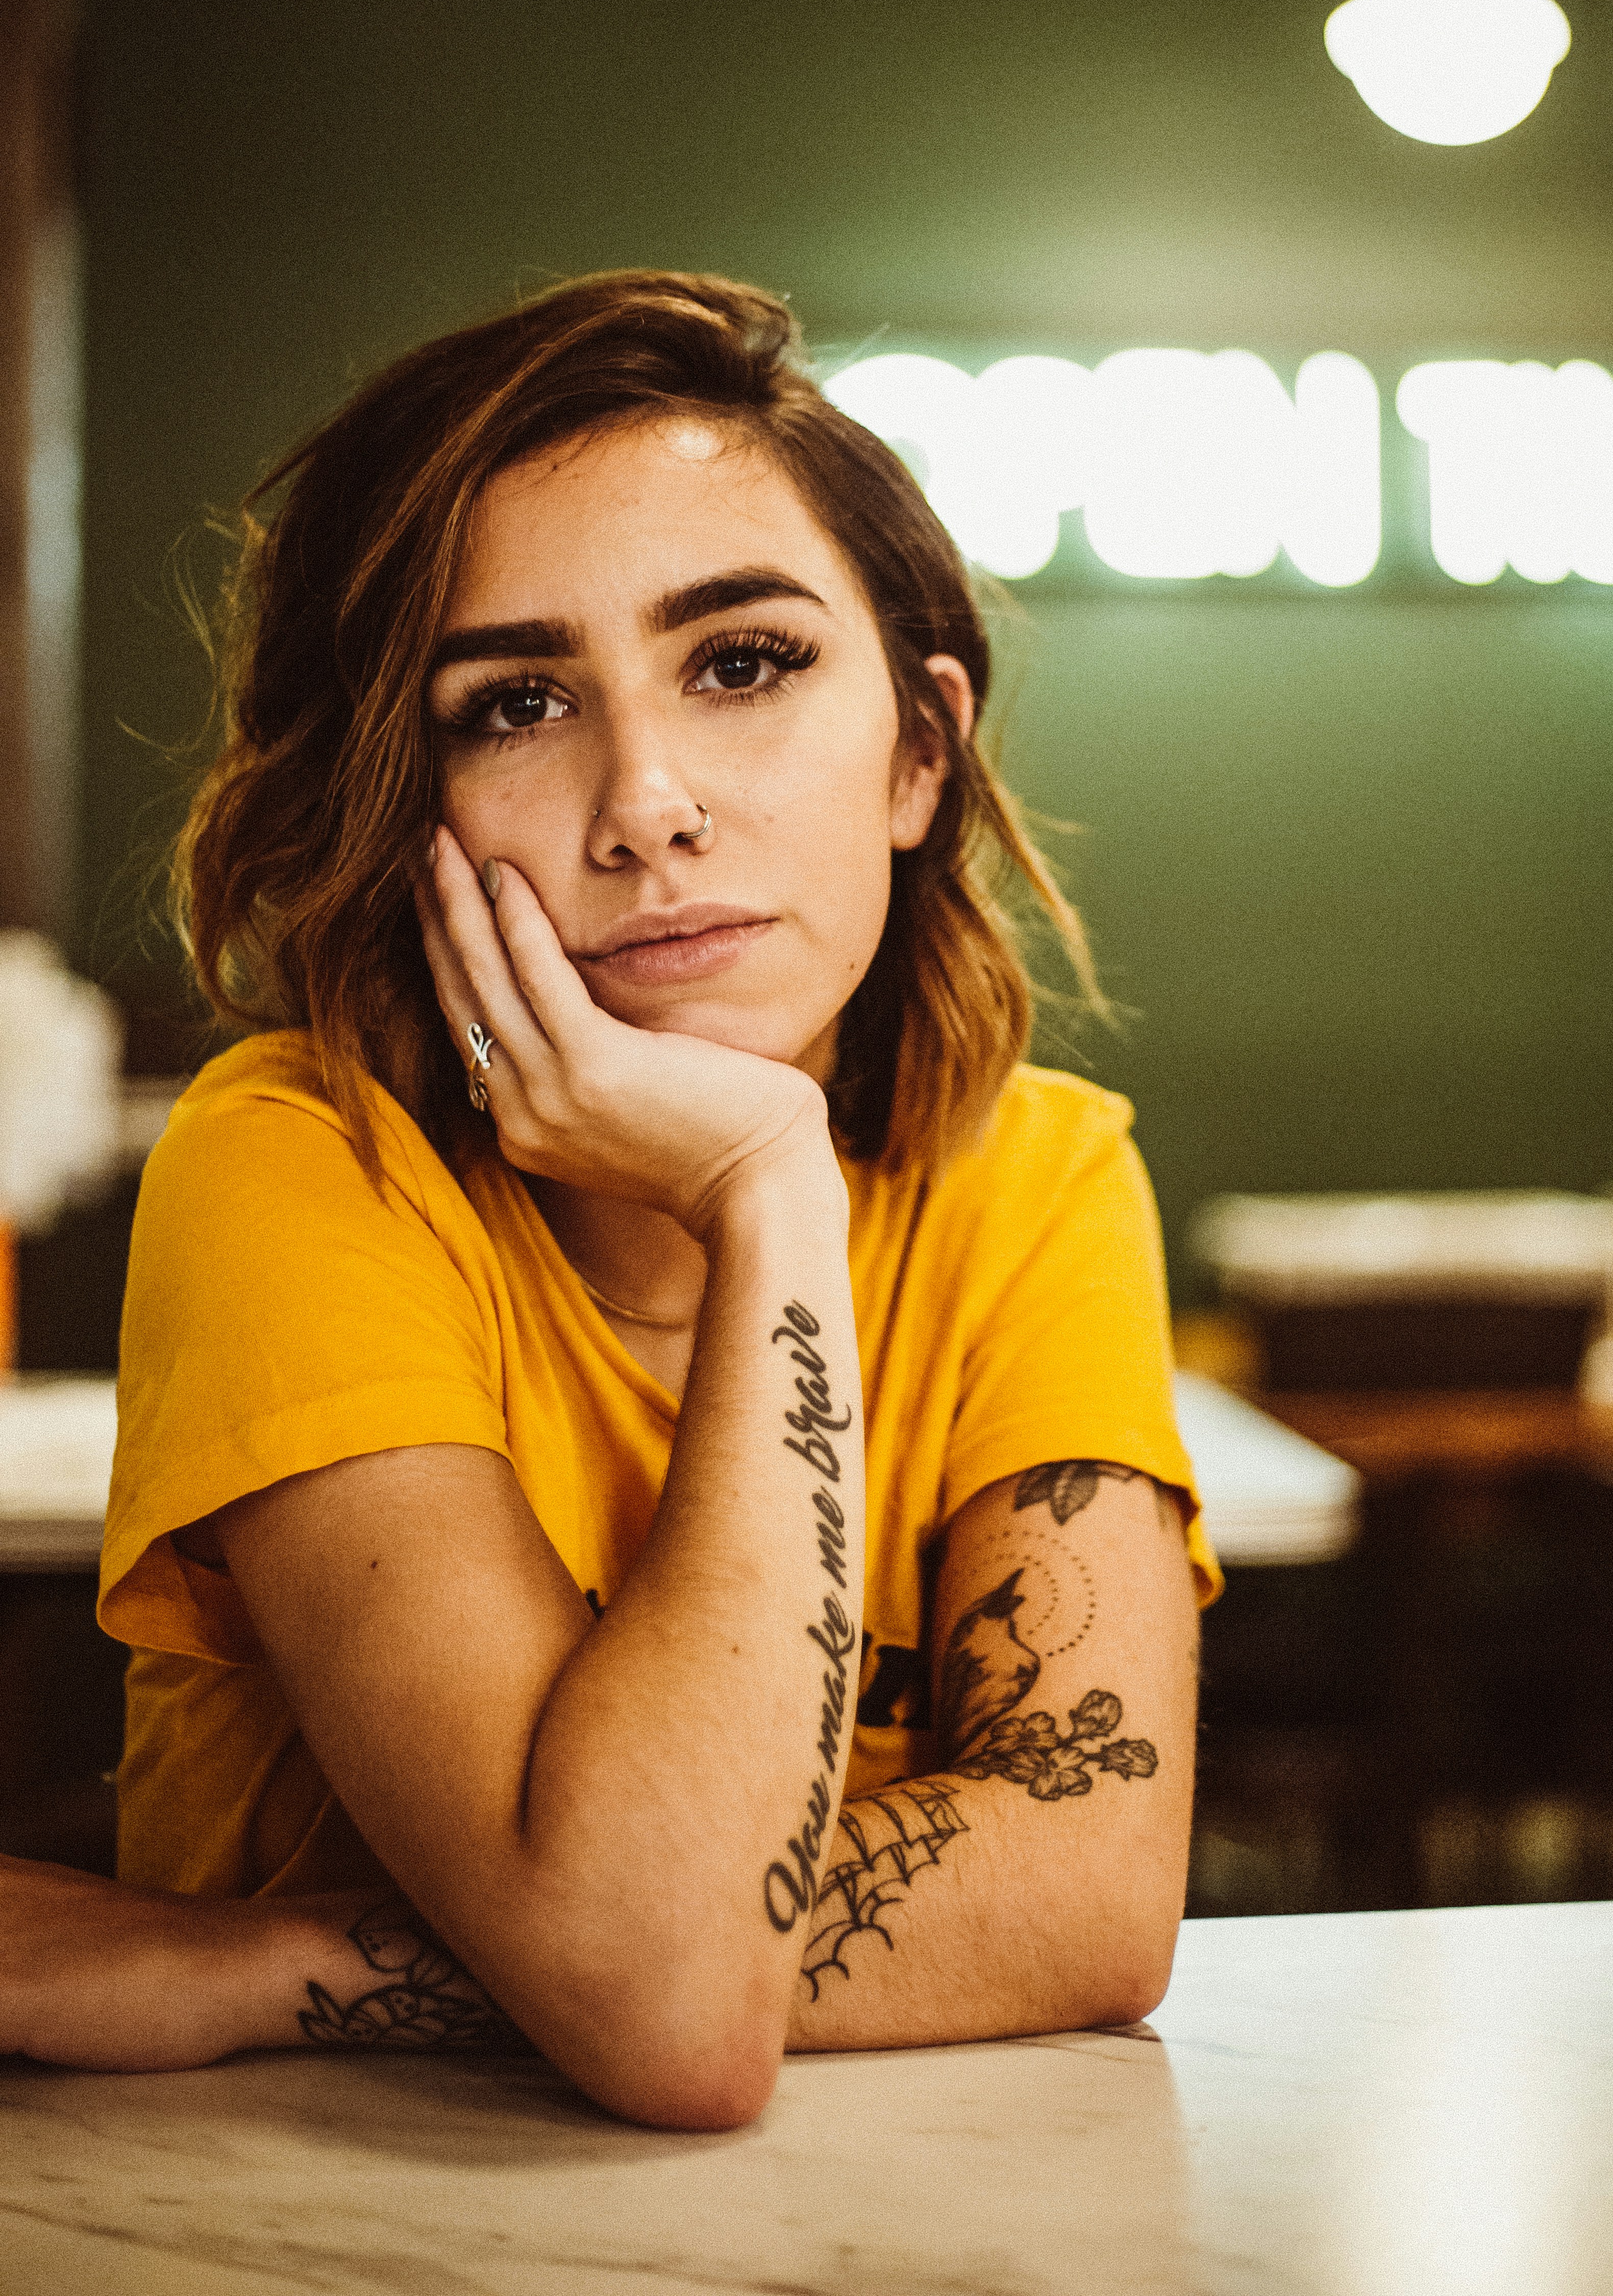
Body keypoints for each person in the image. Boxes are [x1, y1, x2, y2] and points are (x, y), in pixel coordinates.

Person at [0, 270, 1215, 2127]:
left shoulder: (1038, 1176)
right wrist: (769, 1184)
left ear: (919, 749)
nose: (645, 801)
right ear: (406, 806)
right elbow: (664, 2003)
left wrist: (258, 1962)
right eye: (514, 705)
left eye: (742, 663)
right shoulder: (296, 1165)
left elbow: (1094, 1897)